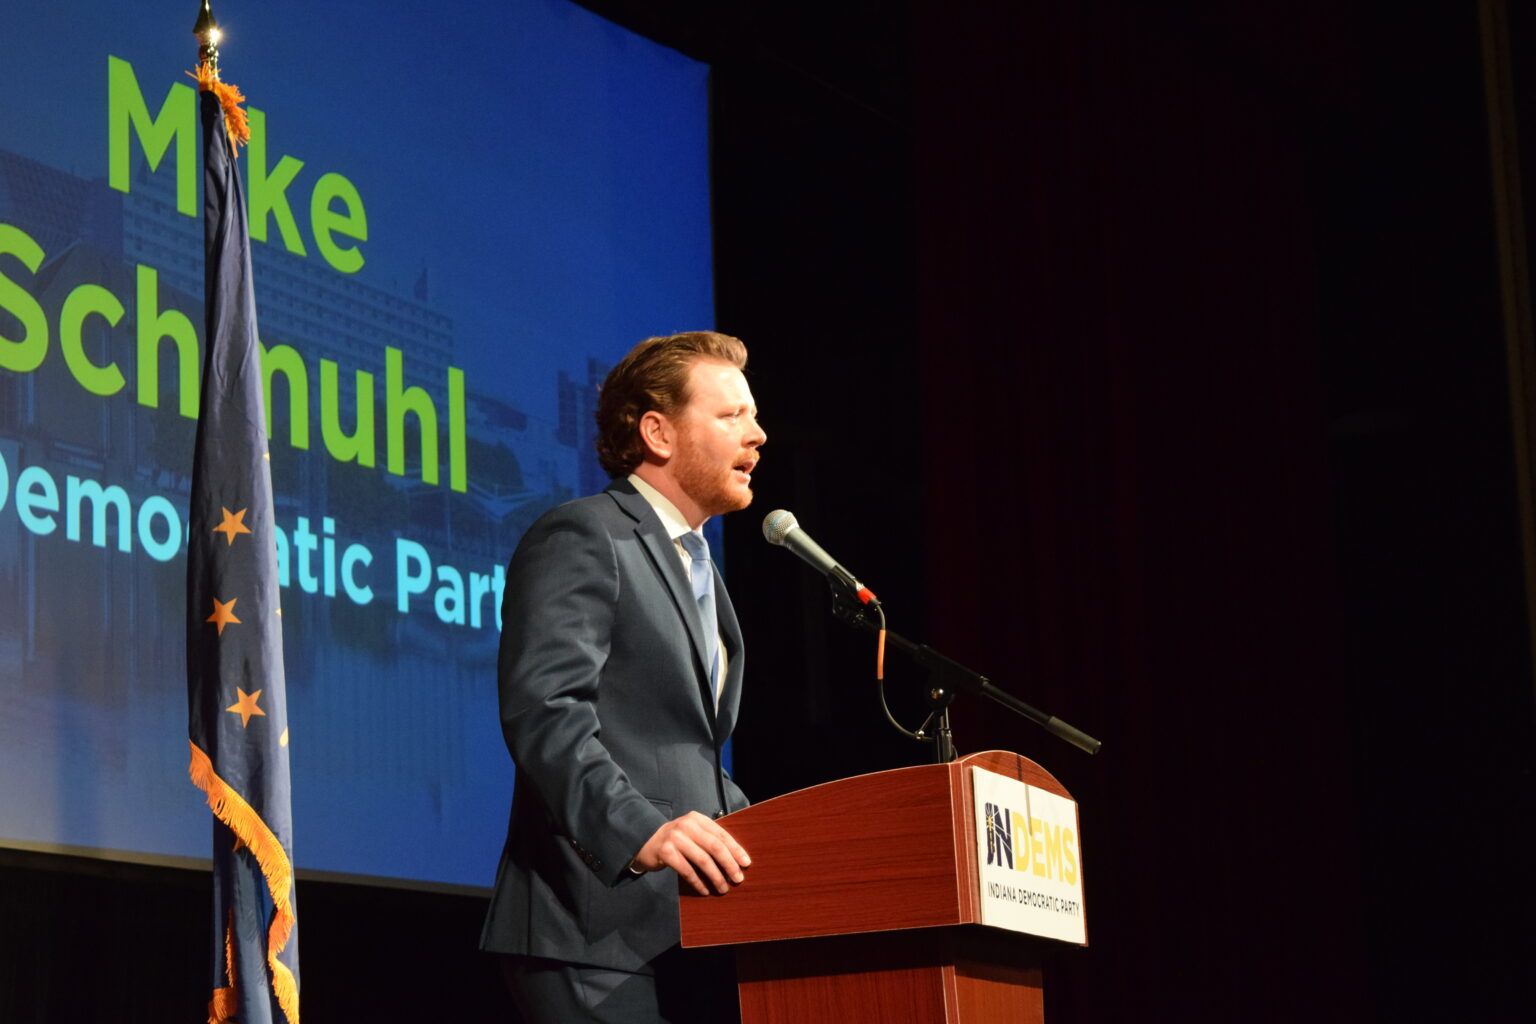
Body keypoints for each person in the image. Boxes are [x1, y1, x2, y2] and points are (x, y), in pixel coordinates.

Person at [480, 331, 766, 1023]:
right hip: (588, 931)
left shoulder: (698, 566)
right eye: (731, 416)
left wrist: (779, 838)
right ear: (658, 433)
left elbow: (677, 750)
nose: (757, 435)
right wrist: (641, 830)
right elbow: (546, 711)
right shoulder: (585, 535)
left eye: (751, 415)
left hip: (681, 934)